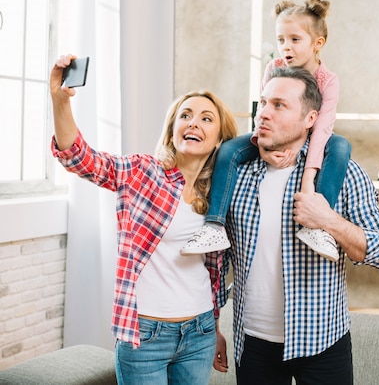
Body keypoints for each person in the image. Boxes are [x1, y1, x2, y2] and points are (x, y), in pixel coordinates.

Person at [49, 54, 238, 384]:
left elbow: (214, 271)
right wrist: (59, 100)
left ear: (220, 138)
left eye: (207, 118)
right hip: (145, 335)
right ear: (172, 128)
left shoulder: (219, 196)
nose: (194, 122)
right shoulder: (142, 172)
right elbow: (80, 158)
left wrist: (217, 327)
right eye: (185, 115)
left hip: (200, 332)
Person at [211, 66, 379, 384]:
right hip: (252, 346)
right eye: (263, 102)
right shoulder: (236, 174)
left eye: (279, 105)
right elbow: (216, 259)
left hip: (323, 344)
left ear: (311, 119)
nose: (263, 113)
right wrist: (212, 327)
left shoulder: (342, 173)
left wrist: (327, 220)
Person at [181, 0, 351, 262]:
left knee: (341, 146)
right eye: (281, 39)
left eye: (295, 39)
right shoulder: (274, 68)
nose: (286, 47)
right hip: (274, 135)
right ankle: (214, 225)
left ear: (318, 43)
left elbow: (322, 130)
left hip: (313, 136)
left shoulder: (327, 80)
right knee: (229, 150)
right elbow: (263, 113)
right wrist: (262, 146)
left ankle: (317, 225)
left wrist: (308, 181)